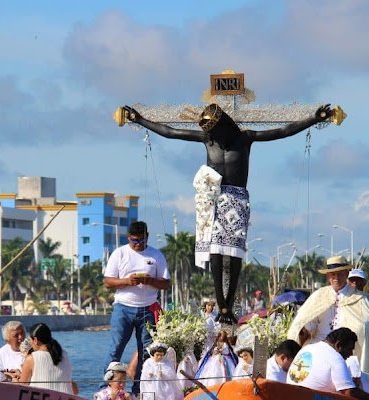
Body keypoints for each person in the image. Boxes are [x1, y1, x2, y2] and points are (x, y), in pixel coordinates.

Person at [123, 103, 332, 323]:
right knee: (215, 252)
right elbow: (171, 132)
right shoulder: (208, 140)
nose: (214, 137)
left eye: (216, 132)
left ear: (224, 126)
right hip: (211, 201)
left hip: (236, 200)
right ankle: (222, 305)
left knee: (233, 254)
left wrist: (314, 119)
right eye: (210, 133)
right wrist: (139, 120)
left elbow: (282, 131)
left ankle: (229, 304)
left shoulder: (245, 139)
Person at [102, 221, 171, 396]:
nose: (138, 244)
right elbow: (108, 281)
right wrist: (126, 281)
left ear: (147, 237)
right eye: (134, 241)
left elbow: (166, 283)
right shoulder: (119, 253)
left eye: (141, 240)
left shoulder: (156, 255)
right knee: (115, 348)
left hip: (148, 308)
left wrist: (150, 280)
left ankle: (139, 390)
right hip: (123, 308)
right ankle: (106, 389)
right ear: (128, 238)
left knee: (146, 351)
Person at [287, 256, 369, 371]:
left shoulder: (361, 299)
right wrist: (302, 330)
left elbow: (364, 325)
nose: (336, 278)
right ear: (328, 276)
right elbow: (305, 321)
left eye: (340, 274)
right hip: (318, 347)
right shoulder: (318, 295)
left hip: (347, 350)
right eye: (333, 274)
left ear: (346, 274)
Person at [287, 327, 369, 398]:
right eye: (349, 349)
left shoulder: (307, 348)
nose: (350, 354)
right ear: (338, 345)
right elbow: (349, 392)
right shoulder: (335, 357)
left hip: (290, 394)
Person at [16, 323, 73, 394]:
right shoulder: (64, 354)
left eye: (30, 340)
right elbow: (74, 389)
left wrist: (15, 379)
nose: (30, 344)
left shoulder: (31, 358)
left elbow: (21, 388)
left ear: (35, 340)